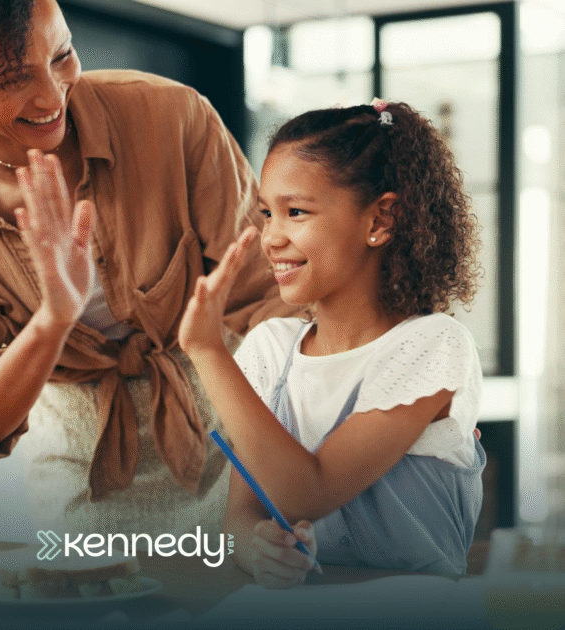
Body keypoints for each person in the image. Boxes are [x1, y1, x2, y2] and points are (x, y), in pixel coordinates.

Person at [0, 0, 294, 541]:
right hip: (84, 471)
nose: (53, 95)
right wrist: (54, 319)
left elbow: (270, 299)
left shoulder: (171, 118)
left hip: (230, 443)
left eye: (63, 55)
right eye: (12, 78)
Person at [178, 99, 486, 586]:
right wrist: (256, 550)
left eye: (294, 212)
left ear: (381, 220)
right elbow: (242, 516)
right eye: (266, 213)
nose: (270, 237)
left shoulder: (433, 346)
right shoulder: (271, 348)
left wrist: (207, 350)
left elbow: (307, 493)